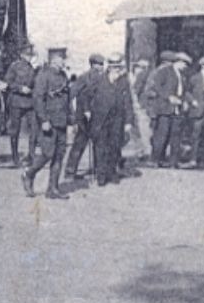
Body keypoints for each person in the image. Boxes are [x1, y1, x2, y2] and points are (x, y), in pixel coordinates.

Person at [22, 47, 72, 199]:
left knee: (59, 155)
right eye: (63, 59)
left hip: (61, 121)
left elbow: (67, 99)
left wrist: (71, 118)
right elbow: (38, 99)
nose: (65, 61)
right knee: (47, 153)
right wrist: (44, 120)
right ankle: (28, 174)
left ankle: (53, 189)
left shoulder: (63, 75)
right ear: (55, 60)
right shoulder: (43, 75)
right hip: (48, 122)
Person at [89, 54, 134, 186]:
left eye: (118, 68)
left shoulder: (123, 82)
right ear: (108, 67)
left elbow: (128, 102)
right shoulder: (98, 79)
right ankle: (101, 175)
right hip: (101, 119)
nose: (116, 71)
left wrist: (128, 122)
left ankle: (112, 172)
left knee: (115, 146)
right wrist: (87, 111)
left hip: (117, 119)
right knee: (101, 147)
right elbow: (87, 96)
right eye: (114, 67)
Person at [64, 54, 107, 182]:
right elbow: (72, 93)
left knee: (98, 144)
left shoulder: (104, 78)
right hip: (84, 116)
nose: (100, 67)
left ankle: (98, 171)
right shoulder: (84, 77)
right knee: (80, 143)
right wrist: (73, 113)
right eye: (98, 64)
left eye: (101, 64)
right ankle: (70, 172)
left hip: (98, 115)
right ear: (92, 64)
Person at [143, 51, 187, 168]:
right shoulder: (164, 72)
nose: (185, 66)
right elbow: (157, 86)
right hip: (164, 108)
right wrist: (168, 97)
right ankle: (155, 160)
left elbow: (183, 91)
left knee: (175, 136)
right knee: (162, 135)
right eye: (184, 63)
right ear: (177, 62)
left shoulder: (182, 76)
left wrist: (184, 101)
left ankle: (174, 161)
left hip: (177, 109)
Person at [3, 42, 38, 167]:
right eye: (27, 54)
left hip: (30, 103)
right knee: (15, 130)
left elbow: (36, 85)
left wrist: (31, 91)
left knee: (34, 130)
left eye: (30, 54)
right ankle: (15, 157)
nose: (29, 56)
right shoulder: (14, 67)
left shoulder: (33, 68)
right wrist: (20, 88)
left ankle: (32, 156)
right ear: (21, 54)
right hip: (16, 101)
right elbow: (8, 82)